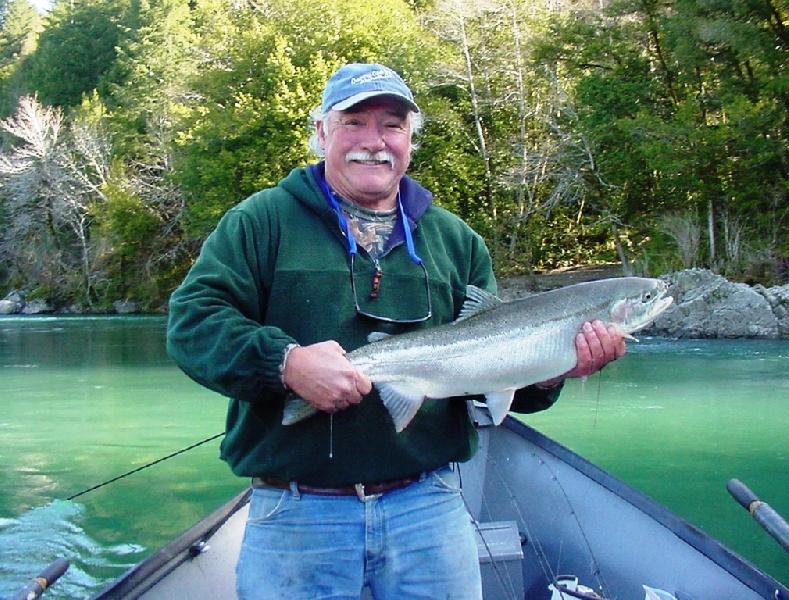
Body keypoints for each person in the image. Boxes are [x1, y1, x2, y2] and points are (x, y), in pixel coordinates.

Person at [166, 63, 626, 600]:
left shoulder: (457, 241)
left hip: (429, 506)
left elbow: (501, 382)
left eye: (392, 124)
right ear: (321, 132)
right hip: (297, 514)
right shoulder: (260, 221)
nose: (374, 142)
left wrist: (554, 371)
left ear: (410, 138)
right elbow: (193, 324)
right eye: (353, 122)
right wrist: (285, 362)